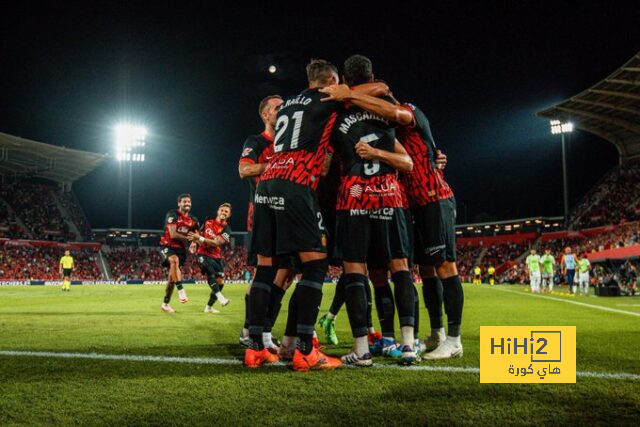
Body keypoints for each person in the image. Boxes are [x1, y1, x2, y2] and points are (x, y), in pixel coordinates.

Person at [321, 65, 465, 360]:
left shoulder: (404, 110)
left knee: (443, 267)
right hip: (405, 201)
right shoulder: (378, 117)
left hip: (431, 196)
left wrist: (347, 94)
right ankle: (436, 332)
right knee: (424, 270)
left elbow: (395, 117)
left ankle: (454, 338)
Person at [245, 59, 345, 371]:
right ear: (330, 80)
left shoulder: (287, 106)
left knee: (265, 268)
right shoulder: (329, 98)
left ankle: (256, 347)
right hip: (297, 183)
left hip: (267, 183)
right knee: (315, 265)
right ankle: (305, 351)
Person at [329, 54, 416, 366]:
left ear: (344, 79)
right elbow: (401, 114)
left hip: (353, 196)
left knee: (354, 269)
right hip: (389, 194)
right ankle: (408, 344)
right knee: (399, 266)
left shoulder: (337, 107)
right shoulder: (386, 107)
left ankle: (362, 349)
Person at [238, 94, 282, 345]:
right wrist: (279, 165)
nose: (283, 111)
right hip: (263, 214)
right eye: (278, 108)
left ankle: (263, 329)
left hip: (287, 214)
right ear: (265, 114)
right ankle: (250, 330)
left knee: (283, 275)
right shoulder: (255, 141)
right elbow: (244, 170)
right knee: (262, 274)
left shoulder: (290, 143)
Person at [189, 203, 233, 313]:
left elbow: (216, 242)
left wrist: (200, 239)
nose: (223, 212)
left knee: (221, 282)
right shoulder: (208, 220)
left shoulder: (227, 230)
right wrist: (194, 242)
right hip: (202, 253)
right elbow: (198, 232)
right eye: (222, 210)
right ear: (218, 211)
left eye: (226, 211)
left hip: (216, 257)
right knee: (210, 272)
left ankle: (208, 307)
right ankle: (221, 298)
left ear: (229, 215)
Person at [159, 194, 199, 313]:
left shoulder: (194, 220)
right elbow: (173, 234)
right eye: (184, 201)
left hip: (181, 250)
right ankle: (181, 290)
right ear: (179, 204)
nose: (187, 203)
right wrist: (190, 239)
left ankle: (165, 303)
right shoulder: (172, 214)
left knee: (172, 279)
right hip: (167, 245)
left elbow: (196, 236)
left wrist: (194, 243)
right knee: (174, 260)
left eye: (189, 202)